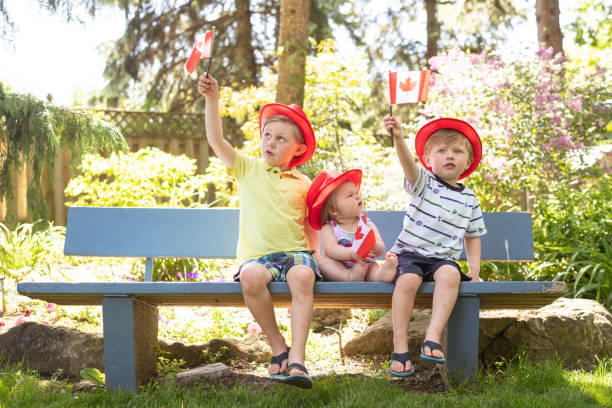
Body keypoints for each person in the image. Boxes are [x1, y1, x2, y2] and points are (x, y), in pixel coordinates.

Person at [198, 73, 320, 389]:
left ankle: (297, 359)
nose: (270, 142)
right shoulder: (248, 169)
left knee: (303, 277)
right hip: (258, 257)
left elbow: (311, 225)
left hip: (296, 255)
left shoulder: (304, 184)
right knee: (250, 278)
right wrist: (213, 99)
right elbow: (215, 140)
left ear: (298, 148)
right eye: (267, 135)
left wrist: (318, 256)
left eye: (281, 139)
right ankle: (278, 345)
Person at [382, 116, 486, 377]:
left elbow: (473, 236)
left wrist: (474, 269)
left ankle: (432, 336)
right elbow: (407, 164)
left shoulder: (470, 198)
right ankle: (400, 347)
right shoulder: (423, 183)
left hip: (442, 260)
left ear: (468, 161)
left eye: (457, 151)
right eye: (441, 150)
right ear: (428, 158)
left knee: (451, 274)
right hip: (411, 254)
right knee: (407, 281)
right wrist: (399, 138)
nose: (449, 156)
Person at [306, 169, 398, 282]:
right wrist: (352, 254)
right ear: (332, 209)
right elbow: (331, 249)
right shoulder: (329, 228)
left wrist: (373, 245)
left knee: (372, 268)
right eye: (350, 195)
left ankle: (382, 275)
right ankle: (349, 277)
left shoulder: (366, 224)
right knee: (321, 261)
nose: (357, 196)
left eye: (357, 193)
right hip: (339, 267)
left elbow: (380, 249)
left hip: (364, 264)